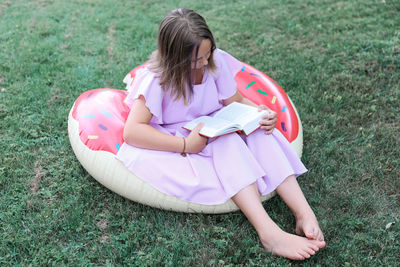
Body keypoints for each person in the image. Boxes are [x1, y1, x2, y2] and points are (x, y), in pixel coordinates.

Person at [117, 8, 326, 260]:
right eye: (196, 60)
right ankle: (269, 233)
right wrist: (185, 144)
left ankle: (303, 212)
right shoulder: (158, 80)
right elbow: (132, 131)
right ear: (174, 58)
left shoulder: (215, 61)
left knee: (260, 131)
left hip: (217, 121)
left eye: (208, 54)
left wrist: (260, 113)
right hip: (184, 134)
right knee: (226, 141)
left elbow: (233, 100)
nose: (204, 63)